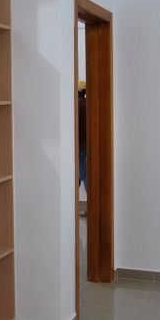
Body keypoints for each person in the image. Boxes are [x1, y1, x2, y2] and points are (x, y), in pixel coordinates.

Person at [78, 80, 87, 217]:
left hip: (78, 145)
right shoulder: (87, 104)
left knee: (83, 175)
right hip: (85, 145)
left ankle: (91, 208)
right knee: (81, 176)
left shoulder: (77, 105)